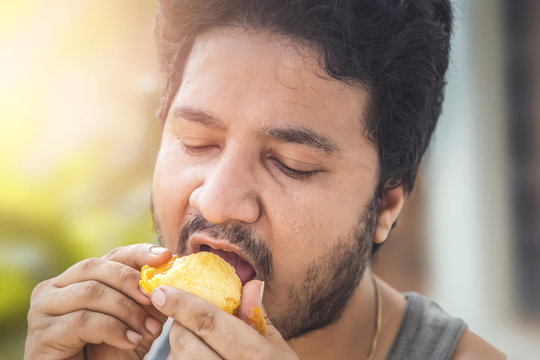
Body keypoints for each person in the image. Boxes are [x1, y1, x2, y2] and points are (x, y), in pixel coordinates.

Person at [25, 0, 506, 359]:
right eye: (196, 141)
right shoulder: (107, 347)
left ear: (386, 205)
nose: (215, 201)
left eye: (291, 163)